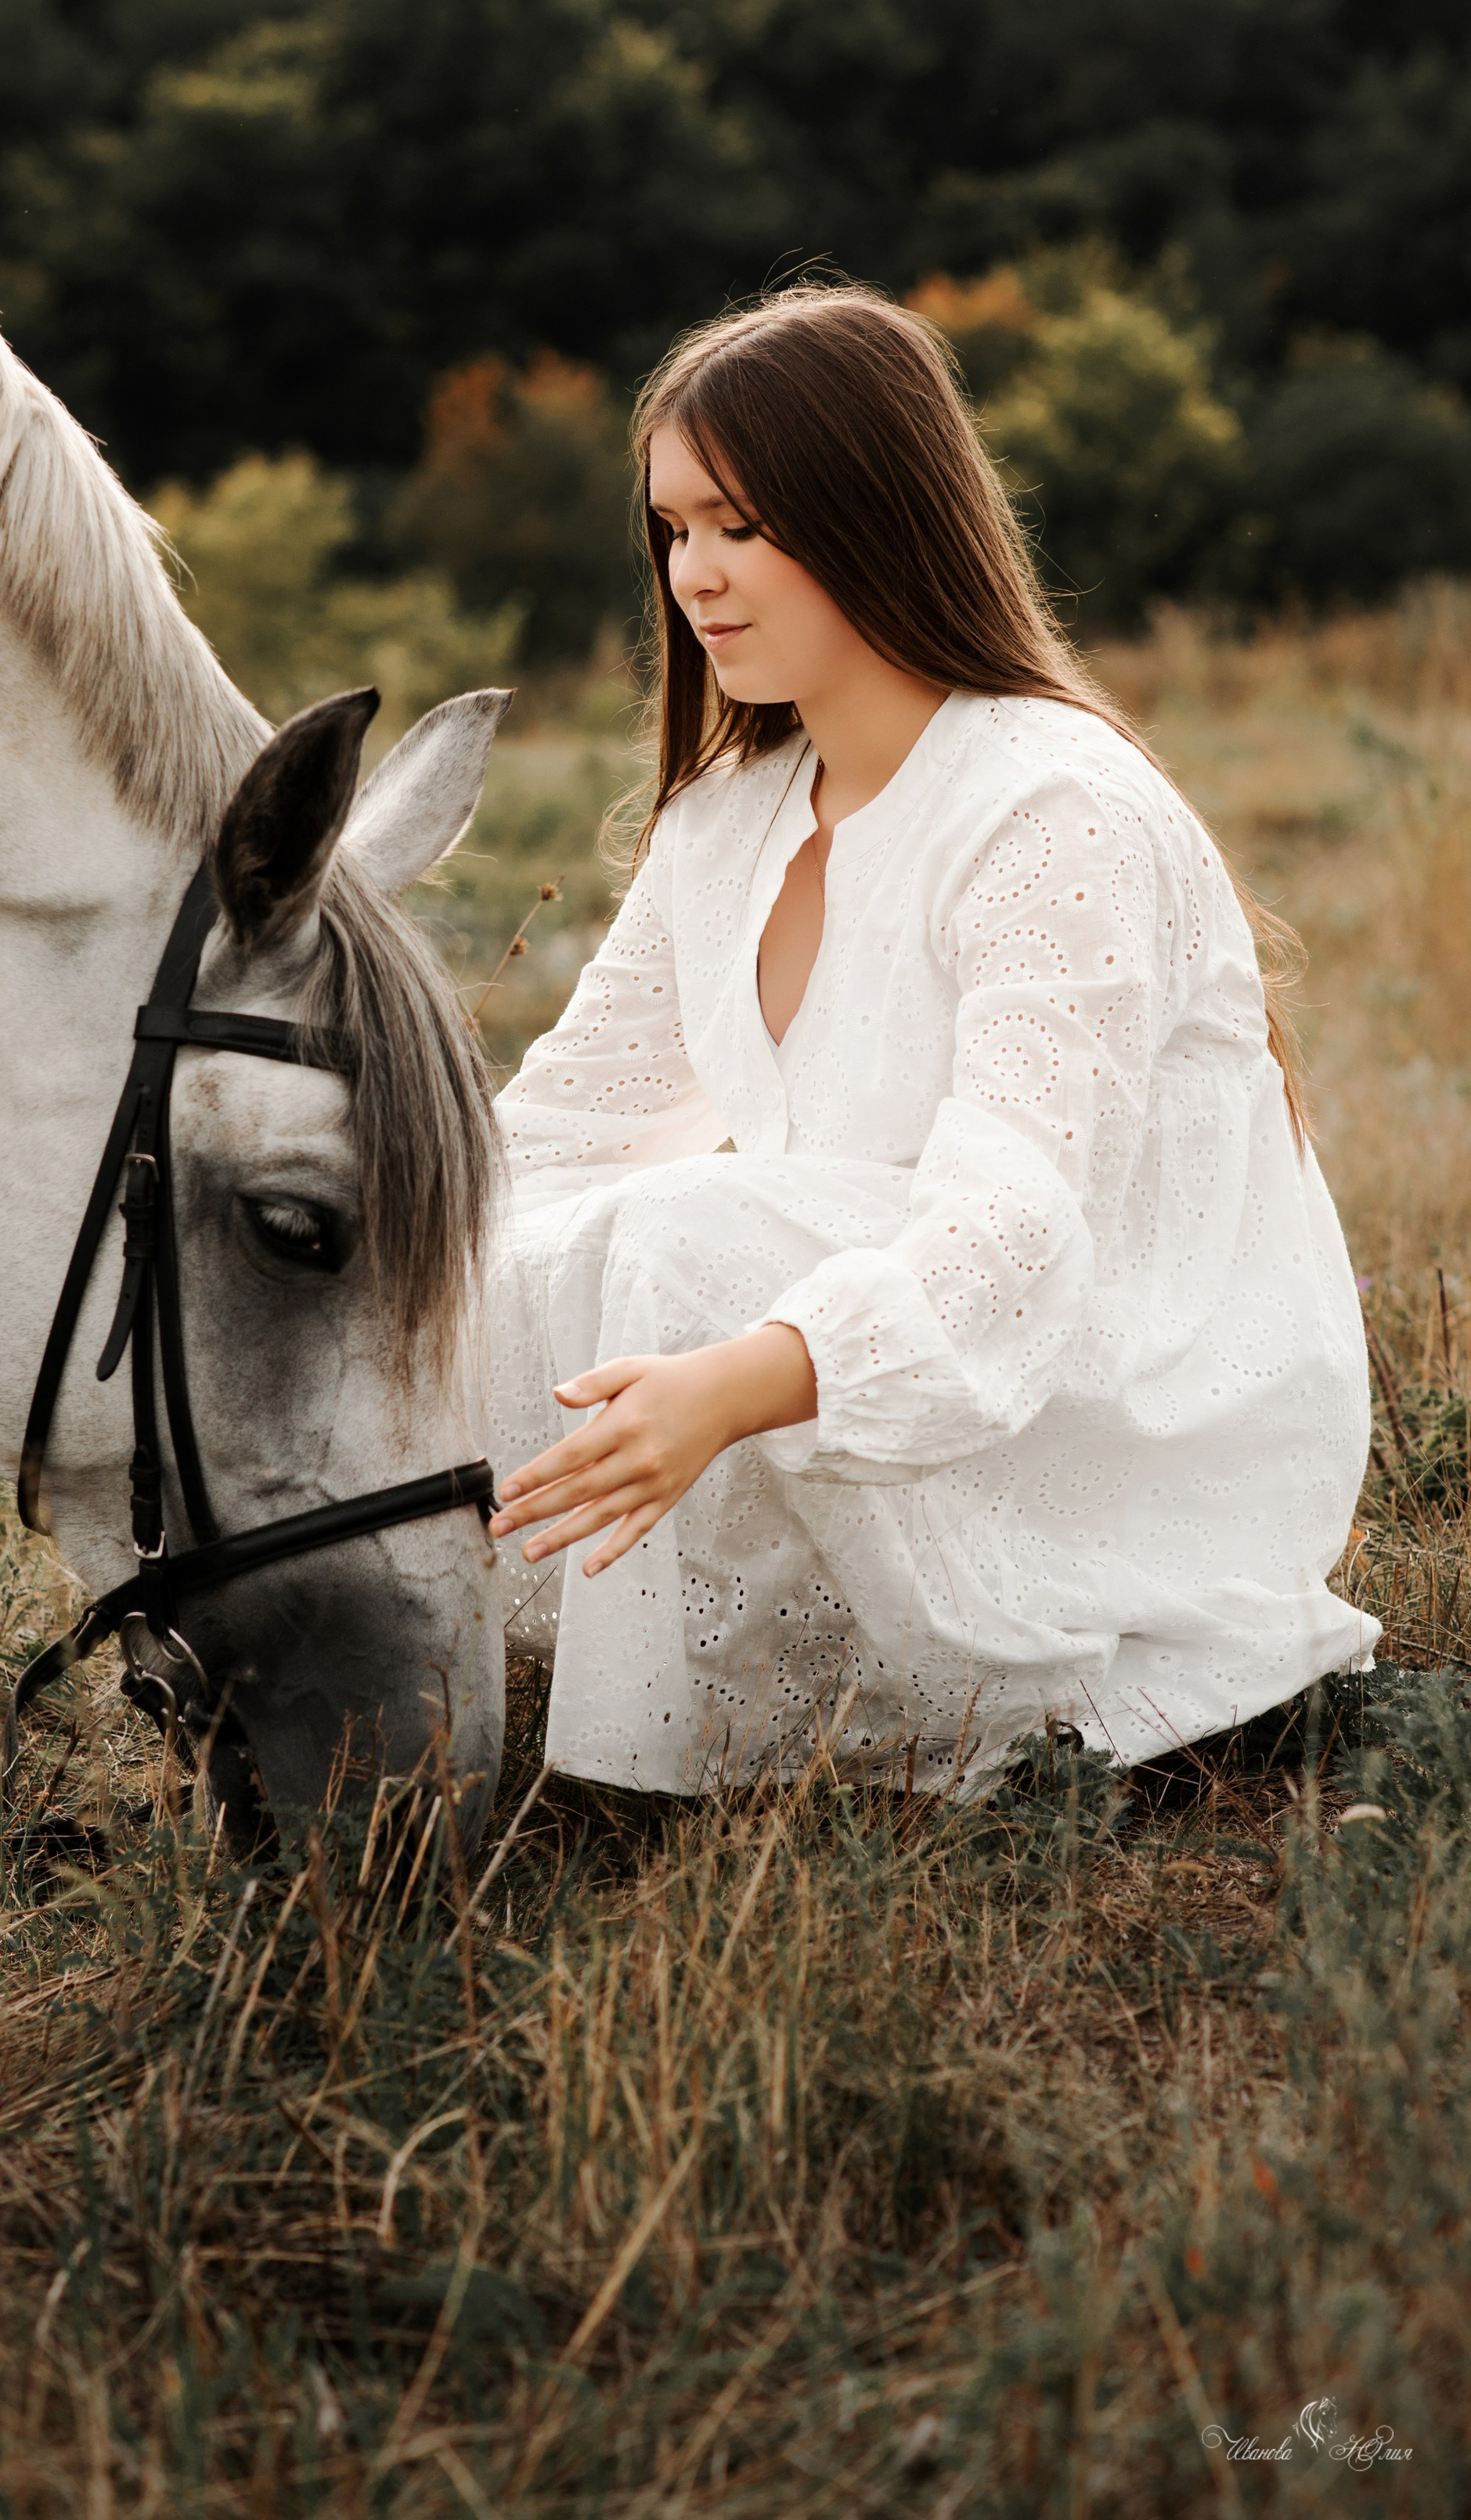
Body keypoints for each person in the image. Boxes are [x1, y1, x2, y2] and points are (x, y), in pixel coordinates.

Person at [482, 287, 1378, 1795]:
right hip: (875, 1348)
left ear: (875, 515)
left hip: (1108, 1403)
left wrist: (739, 1379)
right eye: (673, 531)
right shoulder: (729, 818)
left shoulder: (1049, 807)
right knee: (527, 1248)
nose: (697, 575)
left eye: (742, 526)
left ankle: (653, 1770)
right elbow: (556, 1128)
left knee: (678, 1234)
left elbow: (1015, 1237)